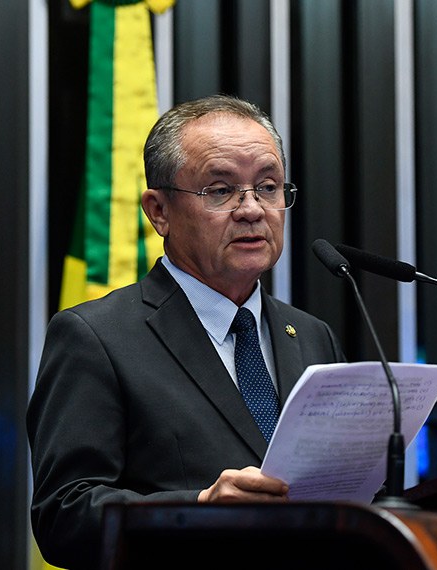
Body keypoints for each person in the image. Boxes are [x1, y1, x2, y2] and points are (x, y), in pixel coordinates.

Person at [27, 94, 345, 569]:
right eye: (220, 191)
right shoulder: (95, 337)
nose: (252, 209)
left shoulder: (312, 335)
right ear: (159, 212)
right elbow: (64, 515)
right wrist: (197, 509)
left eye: (268, 187)